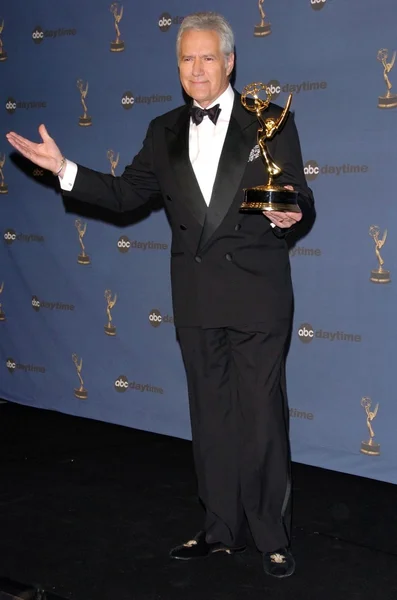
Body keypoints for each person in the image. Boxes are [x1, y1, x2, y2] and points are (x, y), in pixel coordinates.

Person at [6, 11, 315, 579]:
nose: (196, 70)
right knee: (211, 418)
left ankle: (271, 535)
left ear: (229, 62)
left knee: (262, 418)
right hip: (196, 298)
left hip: (256, 297)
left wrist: (291, 211)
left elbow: (297, 192)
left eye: (207, 58)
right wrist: (65, 170)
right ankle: (220, 528)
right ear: (178, 66)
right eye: (185, 59)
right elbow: (127, 194)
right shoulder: (163, 130)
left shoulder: (269, 120)